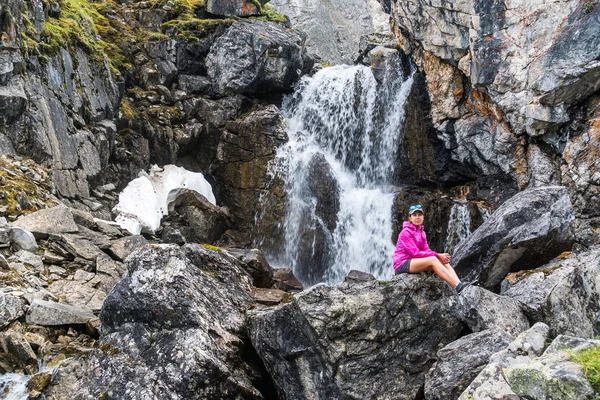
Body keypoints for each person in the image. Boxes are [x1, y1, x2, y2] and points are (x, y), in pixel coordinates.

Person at [393, 204, 473, 294]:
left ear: (423, 217)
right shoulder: (405, 232)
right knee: (434, 259)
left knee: (442, 261)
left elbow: (427, 250)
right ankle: (458, 287)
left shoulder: (422, 233)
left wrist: (439, 257)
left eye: (419, 215)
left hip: (413, 261)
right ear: (410, 218)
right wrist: (438, 255)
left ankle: (459, 284)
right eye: (414, 215)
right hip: (402, 263)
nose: (417, 217)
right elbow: (415, 253)